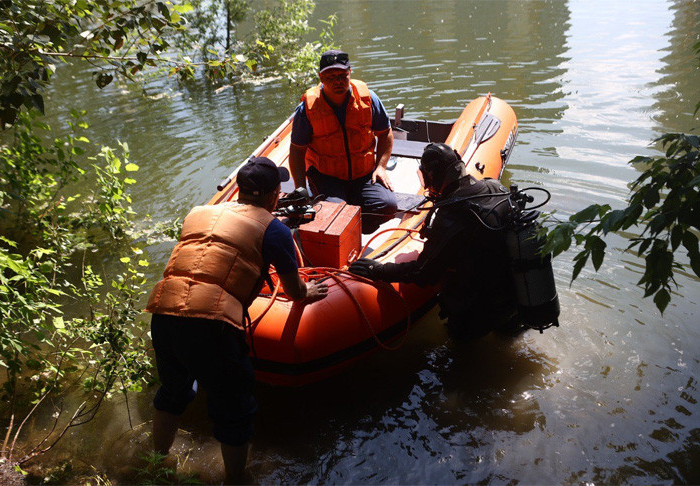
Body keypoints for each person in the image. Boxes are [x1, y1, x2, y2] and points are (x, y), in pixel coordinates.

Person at [145, 157, 328, 482]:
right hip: (209, 325)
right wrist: (308, 291)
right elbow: (295, 290)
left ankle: (155, 464)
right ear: (275, 196)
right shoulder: (276, 231)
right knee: (234, 409)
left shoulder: (199, 212)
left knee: (172, 391)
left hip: (163, 311)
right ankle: (234, 479)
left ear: (239, 191)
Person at [348, 143, 518, 340]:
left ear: (433, 176)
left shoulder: (450, 217)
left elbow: (424, 272)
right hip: (514, 297)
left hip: (479, 311)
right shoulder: (494, 187)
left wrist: (377, 270)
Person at [289, 49, 397, 233]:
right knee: (335, 216)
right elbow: (297, 150)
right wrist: (300, 188)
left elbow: (385, 133)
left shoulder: (368, 99)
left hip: (363, 174)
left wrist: (380, 167)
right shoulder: (308, 108)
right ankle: (345, 218)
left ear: (350, 73)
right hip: (326, 176)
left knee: (388, 205)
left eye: (342, 75)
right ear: (321, 77)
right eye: (331, 77)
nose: (338, 81)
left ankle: (355, 223)